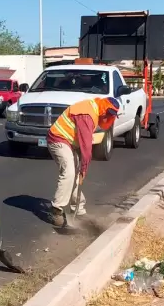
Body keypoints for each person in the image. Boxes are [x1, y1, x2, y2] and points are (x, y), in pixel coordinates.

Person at [46, 96, 121, 227]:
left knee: (75, 174)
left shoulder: (94, 110)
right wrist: (84, 169)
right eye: (108, 114)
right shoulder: (87, 114)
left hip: (69, 141)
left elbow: (83, 141)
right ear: (104, 109)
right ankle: (56, 211)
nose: (108, 118)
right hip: (57, 139)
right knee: (69, 172)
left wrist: (82, 169)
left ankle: (78, 209)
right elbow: (86, 148)